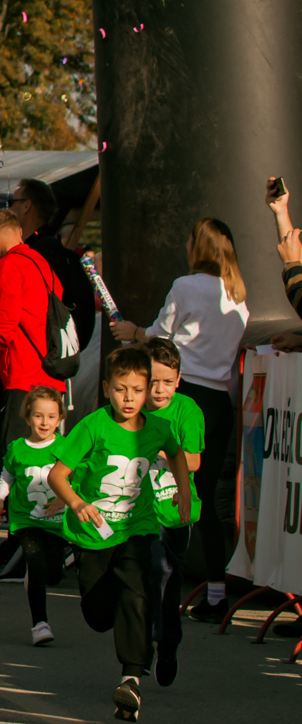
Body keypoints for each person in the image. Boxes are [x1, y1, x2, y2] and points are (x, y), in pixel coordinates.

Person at [109, 217, 247, 623]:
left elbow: (161, 336)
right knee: (205, 497)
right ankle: (216, 594)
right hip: (219, 402)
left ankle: (151, 578)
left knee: (152, 481)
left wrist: (134, 331)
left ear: (197, 246)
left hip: (185, 396)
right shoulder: (238, 294)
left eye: (189, 239)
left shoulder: (186, 286)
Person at [46, 346, 189, 722]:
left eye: (138, 390)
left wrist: (184, 493)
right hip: (93, 532)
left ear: (147, 390)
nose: (129, 398)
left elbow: (176, 454)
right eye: (122, 390)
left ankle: (131, 677)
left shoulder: (158, 428)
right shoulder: (93, 425)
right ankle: (120, 623)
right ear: (107, 388)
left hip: (135, 528)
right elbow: (57, 475)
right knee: (97, 614)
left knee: (136, 592)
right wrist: (77, 502)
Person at [0, 209, 68, 451]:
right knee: (43, 457)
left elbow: (5, 325)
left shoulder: (10, 264)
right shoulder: (41, 263)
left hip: (23, 377)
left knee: (10, 456)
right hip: (51, 374)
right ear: (20, 232)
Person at [139, 336, 204, 686]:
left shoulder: (186, 410)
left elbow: (193, 461)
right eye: (152, 381)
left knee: (167, 578)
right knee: (147, 574)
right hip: (140, 512)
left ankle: (167, 645)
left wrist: (161, 451)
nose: (159, 389)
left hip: (176, 511)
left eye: (167, 381)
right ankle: (140, 648)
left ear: (178, 380)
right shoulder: (132, 409)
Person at [0, 386, 67, 647]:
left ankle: (35, 578)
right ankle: (40, 624)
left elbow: (78, 478)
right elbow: (7, 476)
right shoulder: (17, 448)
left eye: (51, 416)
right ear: (27, 416)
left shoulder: (66, 447)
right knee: (35, 564)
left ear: (59, 418)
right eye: (38, 415)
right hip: (26, 519)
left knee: (53, 574)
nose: (44, 422)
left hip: (57, 522)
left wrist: (64, 498)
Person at [9, 178, 96, 350]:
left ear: (27, 206)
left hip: (36, 352)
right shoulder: (53, 251)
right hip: (61, 349)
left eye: (12, 202)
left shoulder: (33, 255)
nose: (9, 209)